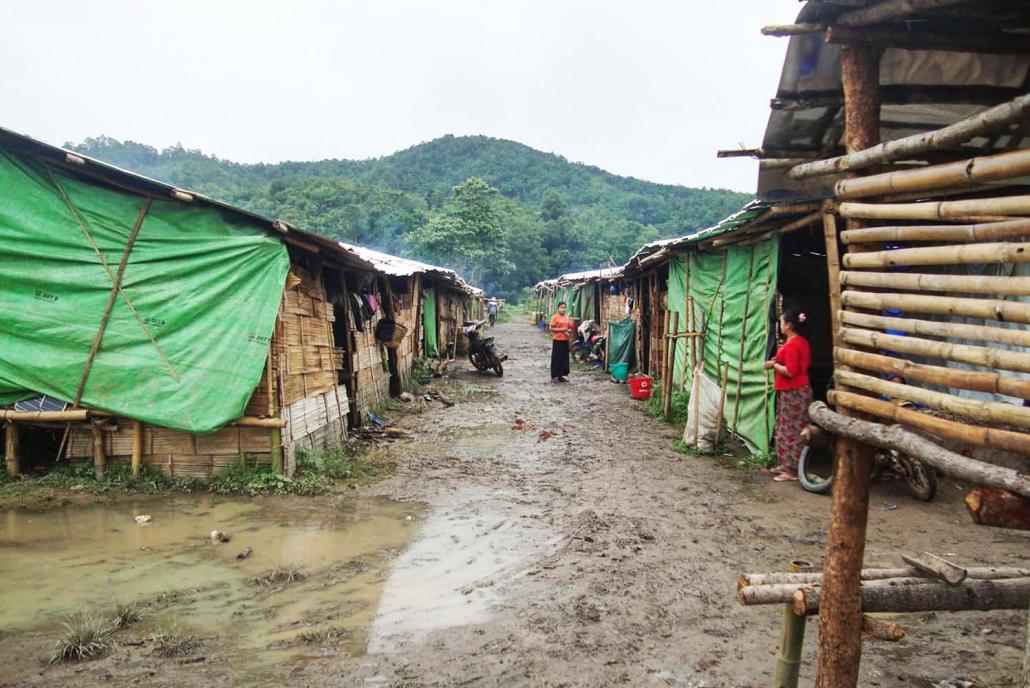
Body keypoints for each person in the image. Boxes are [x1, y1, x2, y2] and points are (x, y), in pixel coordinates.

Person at [764, 309, 812, 482]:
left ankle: (792, 470)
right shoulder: (801, 342)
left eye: (783, 321)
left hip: (794, 392)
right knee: (787, 427)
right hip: (796, 391)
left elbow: (790, 371)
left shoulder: (793, 345)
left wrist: (773, 365)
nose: (781, 324)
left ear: (789, 325)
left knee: (791, 430)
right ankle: (787, 464)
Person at [548, 301, 574, 383]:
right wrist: (562, 330)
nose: (563, 309)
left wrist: (569, 330)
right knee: (556, 358)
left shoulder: (567, 317)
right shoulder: (555, 317)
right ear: (558, 308)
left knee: (564, 359)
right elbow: (551, 328)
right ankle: (554, 376)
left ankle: (561, 375)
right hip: (557, 340)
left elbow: (569, 327)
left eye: (564, 307)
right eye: (561, 307)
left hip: (565, 340)